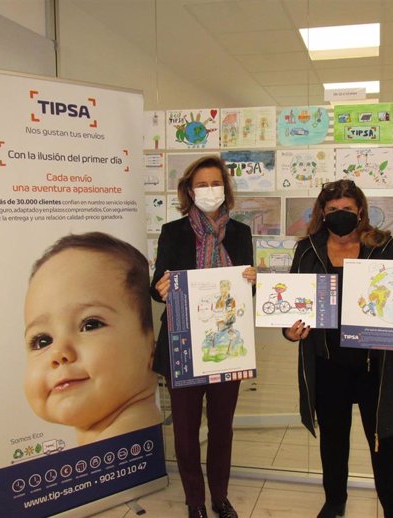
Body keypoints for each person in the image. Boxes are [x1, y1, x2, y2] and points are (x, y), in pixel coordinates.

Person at [282, 179, 393, 518]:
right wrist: (291, 332)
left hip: (375, 365)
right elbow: (291, 307)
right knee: (333, 441)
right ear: (322, 213)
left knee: (385, 441)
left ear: (360, 210)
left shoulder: (383, 246)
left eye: (347, 209)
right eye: (332, 210)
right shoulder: (307, 250)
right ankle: (335, 501)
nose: (340, 215)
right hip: (327, 363)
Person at [150, 155, 256, 518]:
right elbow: (156, 286)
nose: (210, 190)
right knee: (184, 431)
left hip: (228, 345)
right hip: (183, 343)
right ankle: (195, 501)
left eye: (216, 183)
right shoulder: (172, 232)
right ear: (188, 190)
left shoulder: (240, 233)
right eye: (202, 184)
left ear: (225, 188)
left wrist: (252, 282)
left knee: (222, 428)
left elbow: (246, 293)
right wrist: (161, 287)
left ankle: (220, 497)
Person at [23, 232, 162, 446]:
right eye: (42, 340)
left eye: (90, 325)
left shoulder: (121, 446)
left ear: (152, 345)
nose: (58, 353)